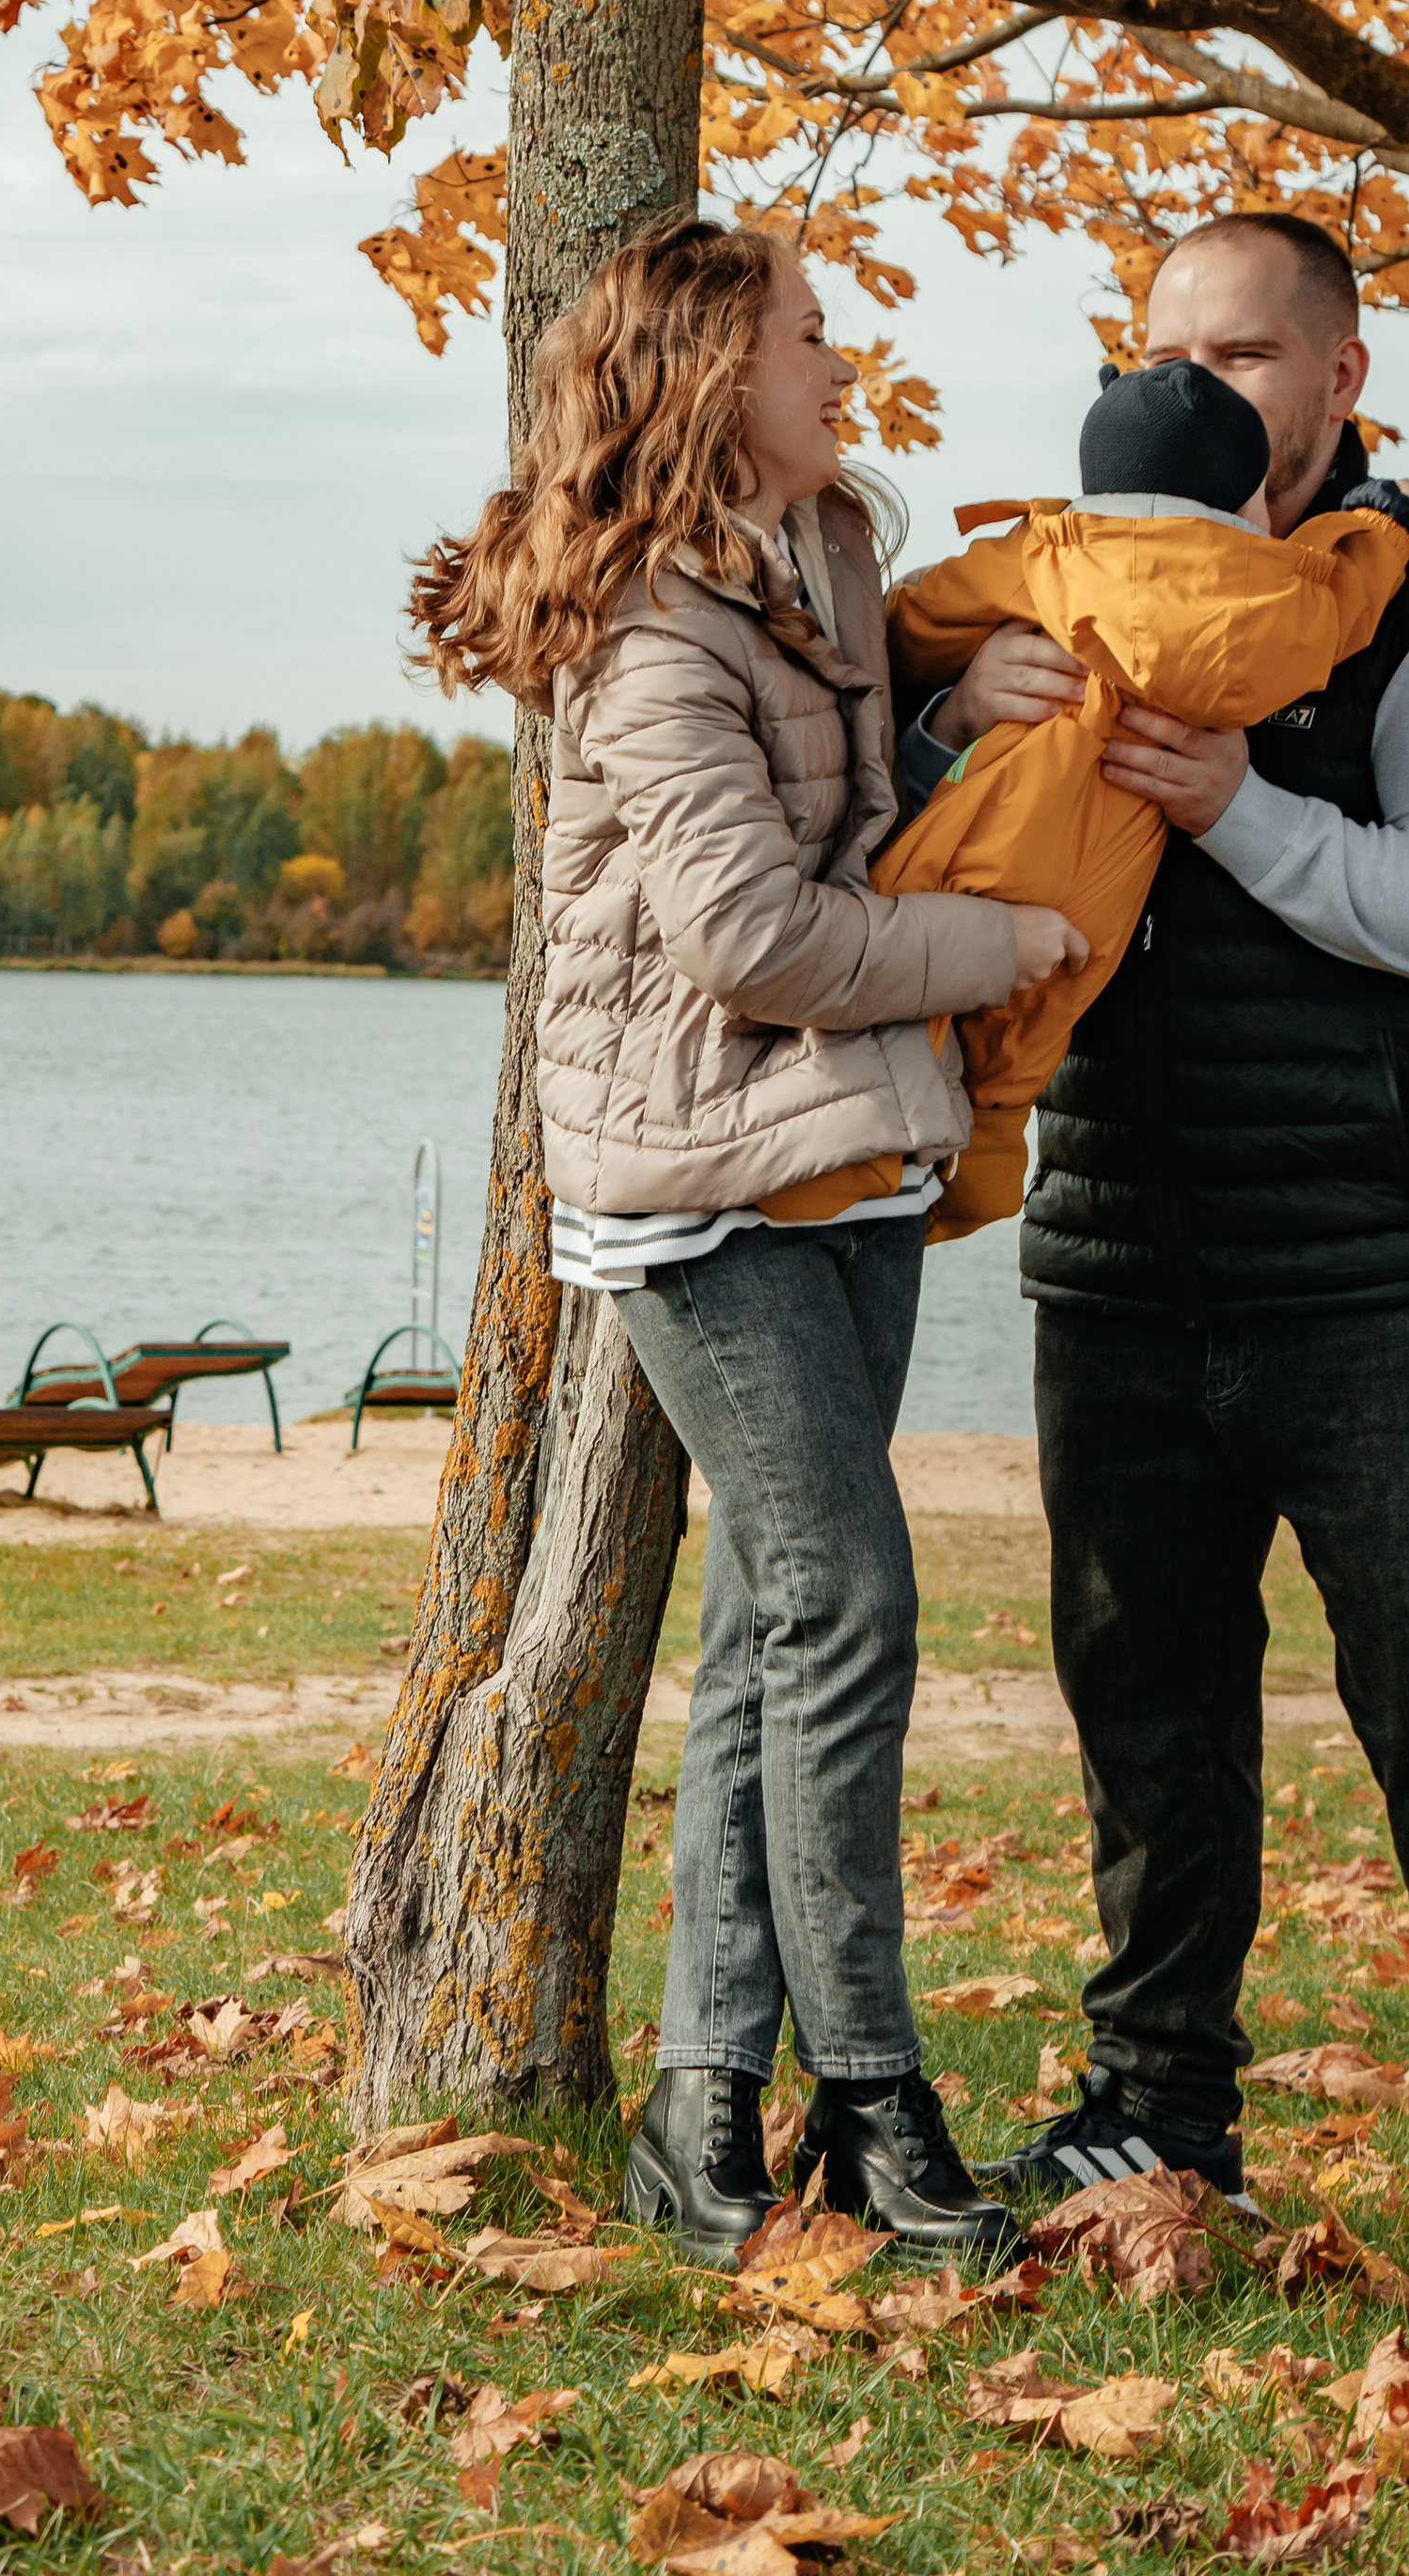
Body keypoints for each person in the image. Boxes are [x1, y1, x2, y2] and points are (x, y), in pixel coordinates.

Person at [893, 211, 1409, 2347]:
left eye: (1245, 347)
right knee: (1144, 1699)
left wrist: (1231, 806)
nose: (1206, 381)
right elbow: (975, 846)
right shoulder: (1084, 600)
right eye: (1165, 344)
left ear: (1336, 370)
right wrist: (964, 715)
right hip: (1119, 1250)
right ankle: (1154, 2110)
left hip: (1382, 1265)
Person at [410, 209, 1084, 2267]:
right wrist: (1003, 946)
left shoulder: (830, 565)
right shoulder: (646, 631)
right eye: (804, 329)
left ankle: (704, 2106)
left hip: (850, 1164)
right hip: (699, 1191)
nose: (836, 353)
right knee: (848, 1604)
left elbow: (843, 821)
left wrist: (962, 712)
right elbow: (752, 934)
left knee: (772, 1632)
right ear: (709, 377)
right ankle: (868, 2095)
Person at [873, 354, 1409, 1233]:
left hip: (995, 827)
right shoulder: (1278, 601)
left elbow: (916, 619)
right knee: (1023, 1053)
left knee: (913, 970)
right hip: (1103, 881)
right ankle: (971, 1181)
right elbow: (1347, 598)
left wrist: (940, 669)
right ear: (1247, 499)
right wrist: (1386, 529)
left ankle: (877, 1171)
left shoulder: (1047, 556)